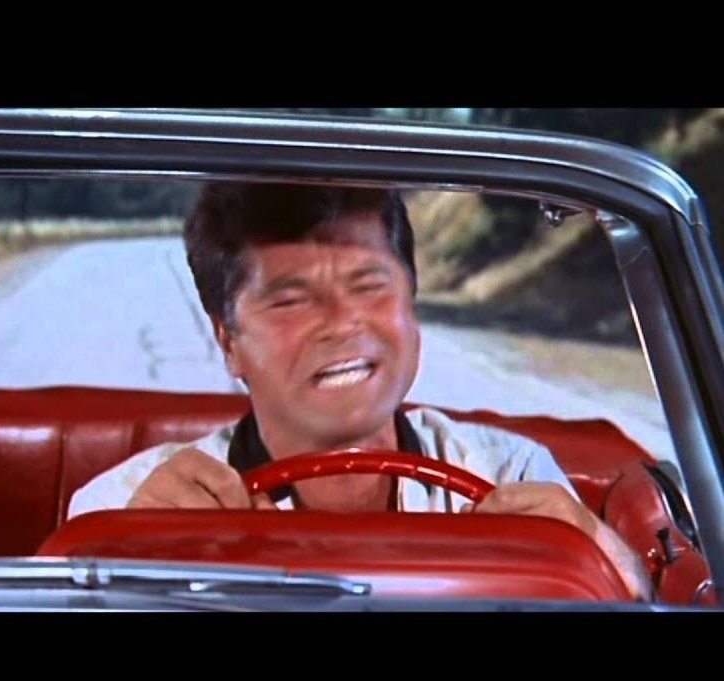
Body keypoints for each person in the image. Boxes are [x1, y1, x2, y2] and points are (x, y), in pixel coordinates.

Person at [67, 180, 652, 601]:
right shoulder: (127, 505)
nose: (343, 323)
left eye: (370, 286)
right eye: (290, 301)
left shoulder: (509, 472)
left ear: (412, 307)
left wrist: (598, 550)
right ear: (229, 343)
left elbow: (634, 595)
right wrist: (134, 557)